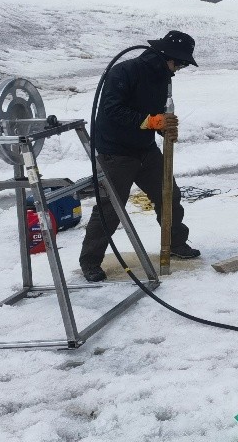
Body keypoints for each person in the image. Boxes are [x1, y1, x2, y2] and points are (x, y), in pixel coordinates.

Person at [78, 30, 200, 282]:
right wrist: (151, 121)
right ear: (167, 57)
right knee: (110, 208)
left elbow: (157, 113)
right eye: (179, 64)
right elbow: (112, 110)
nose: (179, 69)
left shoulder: (162, 77)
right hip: (115, 152)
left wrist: (165, 128)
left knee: (169, 194)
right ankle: (90, 261)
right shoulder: (124, 72)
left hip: (145, 149)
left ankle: (175, 243)